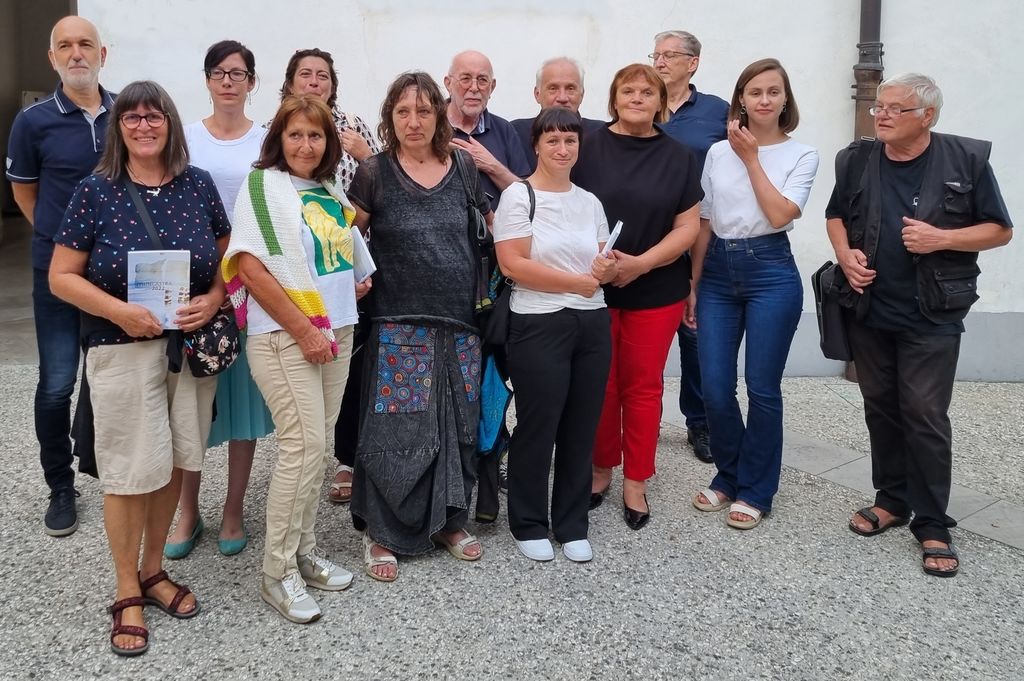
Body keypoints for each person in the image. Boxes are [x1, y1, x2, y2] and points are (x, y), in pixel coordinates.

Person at [50, 80, 228, 656]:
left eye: (155, 116)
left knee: (174, 459)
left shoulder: (197, 185)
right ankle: (127, 587)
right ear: (118, 127)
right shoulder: (95, 191)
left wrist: (215, 297)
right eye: (132, 117)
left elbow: (228, 258)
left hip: (187, 348)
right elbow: (61, 276)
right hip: (121, 348)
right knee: (130, 471)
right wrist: (119, 311)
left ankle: (153, 570)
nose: (144, 126)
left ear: (170, 123)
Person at [826, 73, 1012, 577]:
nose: (882, 115)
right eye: (879, 107)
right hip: (870, 309)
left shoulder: (965, 160)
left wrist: (942, 239)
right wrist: (844, 255)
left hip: (932, 313)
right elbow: (836, 215)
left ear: (927, 116)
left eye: (895, 108)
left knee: (925, 415)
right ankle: (891, 500)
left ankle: (932, 521)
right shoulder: (857, 159)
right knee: (881, 408)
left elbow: (1000, 230)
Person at [223, 94, 367, 623]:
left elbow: (334, 251)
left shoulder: (328, 189)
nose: (306, 145)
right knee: (301, 448)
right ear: (278, 139)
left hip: (337, 329)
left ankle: (304, 552)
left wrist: (355, 277)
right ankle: (276, 572)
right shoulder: (263, 187)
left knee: (318, 448)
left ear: (329, 143)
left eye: (316, 135)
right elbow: (250, 267)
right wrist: (305, 330)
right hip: (287, 336)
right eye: (296, 135)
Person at [348, 71, 488, 582]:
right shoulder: (374, 172)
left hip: (461, 322)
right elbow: (347, 241)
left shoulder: (464, 167)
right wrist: (349, 283)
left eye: (424, 111)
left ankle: (449, 522)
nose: (413, 121)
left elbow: (489, 230)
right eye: (403, 111)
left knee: (458, 427)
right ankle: (382, 533)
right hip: (398, 323)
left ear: (438, 116)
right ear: (390, 117)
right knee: (396, 430)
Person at [690, 58, 819, 530]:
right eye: (755, 92)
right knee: (715, 387)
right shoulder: (716, 152)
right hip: (717, 272)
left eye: (773, 92)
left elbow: (781, 214)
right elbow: (705, 221)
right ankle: (729, 475)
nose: (764, 100)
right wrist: (693, 284)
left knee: (763, 388)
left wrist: (750, 158)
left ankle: (757, 489)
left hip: (770, 271)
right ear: (740, 99)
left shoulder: (802, 154)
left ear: (785, 99)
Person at [573, 64, 701, 530]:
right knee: (601, 384)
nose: (637, 97)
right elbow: (565, 210)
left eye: (648, 91)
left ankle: (637, 480)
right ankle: (601, 468)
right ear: (614, 98)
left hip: (657, 288)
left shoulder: (680, 156)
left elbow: (688, 226)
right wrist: (604, 266)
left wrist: (641, 264)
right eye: (628, 90)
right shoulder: (587, 147)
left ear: (661, 101)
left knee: (643, 387)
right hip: (595, 288)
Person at [5, 15, 115, 537]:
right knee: (56, 383)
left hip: (114, 275)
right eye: (65, 46)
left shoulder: (128, 114)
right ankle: (60, 486)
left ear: (102, 54)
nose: (76, 53)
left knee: (115, 376)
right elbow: (24, 191)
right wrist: (62, 241)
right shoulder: (32, 122)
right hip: (56, 275)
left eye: (85, 44)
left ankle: (115, 471)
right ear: (52, 58)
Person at [164, 40, 273, 560]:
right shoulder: (183, 139)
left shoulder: (267, 140)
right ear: (207, 80)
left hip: (250, 284)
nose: (228, 81)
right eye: (218, 72)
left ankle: (233, 509)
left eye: (238, 73)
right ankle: (188, 510)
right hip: (196, 286)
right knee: (191, 406)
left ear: (251, 81)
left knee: (243, 404)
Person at [495, 107, 616, 562]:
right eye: (553, 140)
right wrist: (576, 283)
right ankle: (528, 522)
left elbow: (603, 261)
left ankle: (571, 522)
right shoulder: (518, 196)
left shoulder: (590, 202)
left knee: (581, 425)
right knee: (538, 424)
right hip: (539, 321)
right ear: (537, 145)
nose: (562, 149)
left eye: (570, 140)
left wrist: (606, 269)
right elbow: (513, 264)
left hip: (591, 322)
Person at [277, 47, 381, 503]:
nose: (315, 82)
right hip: (296, 270)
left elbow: (382, 181)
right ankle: (304, 461)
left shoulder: (353, 125)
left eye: (323, 76)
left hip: (348, 263)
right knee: (302, 382)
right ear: (290, 82)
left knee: (349, 366)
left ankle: (343, 458)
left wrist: (365, 152)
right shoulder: (278, 129)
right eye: (306, 74)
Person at [651, 30, 729, 464]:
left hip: (702, 236)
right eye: (656, 55)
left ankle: (701, 423)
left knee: (696, 333)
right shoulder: (643, 104)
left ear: (693, 63)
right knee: (646, 338)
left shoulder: (717, 112)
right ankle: (642, 420)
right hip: (650, 237)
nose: (660, 62)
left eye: (669, 55)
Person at [445, 50, 531, 211]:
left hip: (497, 226)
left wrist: (491, 166)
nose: (474, 88)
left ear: (492, 87)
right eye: (465, 79)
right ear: (448, 83)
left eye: (482, 80)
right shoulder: (431, 127)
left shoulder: (504, 130)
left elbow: (527, 196)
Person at [510, 57, 605, 173]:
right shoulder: (514, 133)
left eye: (570, 88)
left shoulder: (602, 134)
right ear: (537, 94)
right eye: (553, 88)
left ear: (582, 94)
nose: (562, 98)